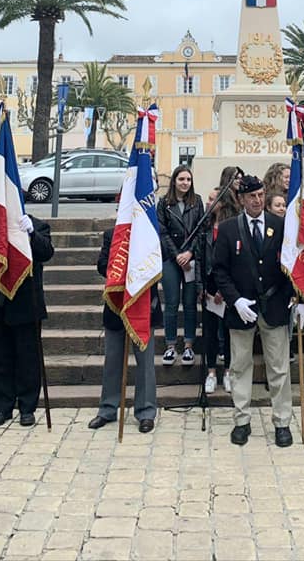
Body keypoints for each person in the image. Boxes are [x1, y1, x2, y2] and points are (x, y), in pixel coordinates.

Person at [213, 174, 294, 447]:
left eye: (261, 195)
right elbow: (220, 270)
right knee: (239, 366)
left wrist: (292, 297)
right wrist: (235, 300)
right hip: (241, 308)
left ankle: (282, 422)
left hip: (274, 306)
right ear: (241, 199)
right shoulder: (228, 229)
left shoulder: (280, 225)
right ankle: (241, 421)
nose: (257, 200)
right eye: (252, 196)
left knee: (279, 368)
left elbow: (289, 265)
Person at [0, 214, 54, 427]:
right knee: (0, 360)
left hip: (27, 305)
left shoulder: (37, 225)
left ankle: (27, 408)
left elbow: (46, 253)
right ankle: (2, 408)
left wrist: (32, 233)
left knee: (28, 360)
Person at [89, 228, 161, 433]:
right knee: (112, 361)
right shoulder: (112, 234)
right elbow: (101, 265)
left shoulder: (150, 230)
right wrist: (121, 268)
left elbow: (160, 263)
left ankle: (146, 412)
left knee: (145, 363)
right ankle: (107, 409)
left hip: (143, 306)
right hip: (117, 305)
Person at [157, 165, 205, 366]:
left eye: (188, 179)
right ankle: (170, 345)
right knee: (171, 302)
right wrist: (177, 255)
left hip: (191, 259)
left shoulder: (197, 202)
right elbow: (162, 232)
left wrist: (190, 253)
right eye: (181, 179)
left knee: (190, 303)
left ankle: (188, 346)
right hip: (171, 258)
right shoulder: (164, 203)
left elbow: (200, 230)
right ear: (174, 181)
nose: (185, 183)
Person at [200, 188, 231, 395]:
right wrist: (201, 287)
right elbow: (198, 257)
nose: (209, 202)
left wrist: (223, 289)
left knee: (227, 332)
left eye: (213, 199)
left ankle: (228, 371)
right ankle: (211, 372)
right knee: (210, 331)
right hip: (208, 286)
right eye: (209, 198)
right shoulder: (204, 227)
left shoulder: (231, 226)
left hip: (226, 286)